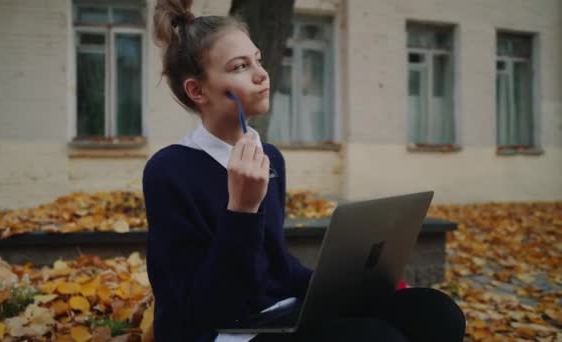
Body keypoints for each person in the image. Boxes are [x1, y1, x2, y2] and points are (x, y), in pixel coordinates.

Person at [142, 1, 466, 341]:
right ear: (197, 90)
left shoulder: (269, 158)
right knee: (374, 337)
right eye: (240, 66)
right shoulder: (169, 171)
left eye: (258, 60)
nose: (261, 74)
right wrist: (242, 210)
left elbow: (277, 265)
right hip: (219, 330)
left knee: (434, 312)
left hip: (278, 313)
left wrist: (354, 288)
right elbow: (207, 306)